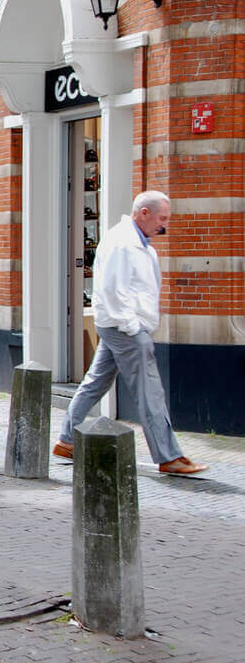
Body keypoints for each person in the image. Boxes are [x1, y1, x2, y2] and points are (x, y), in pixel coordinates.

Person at [52, 191, 207, 476]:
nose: (164, 225)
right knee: (150, 391)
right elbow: (114, 290)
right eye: (162, 218)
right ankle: (168, 456)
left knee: (95, 383)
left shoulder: (138, 243)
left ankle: (67, 440)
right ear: (143, 213)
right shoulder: (123, 243)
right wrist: (134, 328)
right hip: (125, 329)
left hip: (119, 325)